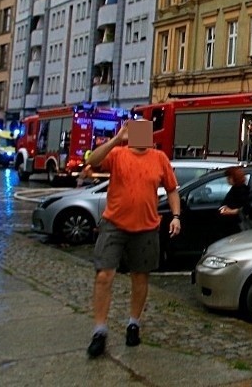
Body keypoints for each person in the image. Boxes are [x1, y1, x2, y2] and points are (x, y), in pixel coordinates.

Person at [84, 120, 181, 358]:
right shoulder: (118, 154)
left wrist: (176, 216)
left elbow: (171, 189)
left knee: (140, 277)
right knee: (104, 274)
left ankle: (133, 324)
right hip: (114, 224)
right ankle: (99, 331)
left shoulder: (159, 158)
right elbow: (92, 161)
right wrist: (117, 138)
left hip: (146, 226)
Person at [219, 165, 252, 230]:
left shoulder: (241, 190)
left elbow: (246, 208)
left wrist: (231, 211)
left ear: (235, 178)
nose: (227, 180)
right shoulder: (235, 188)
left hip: (236, 225)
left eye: (229, 177)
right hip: (232, 223)